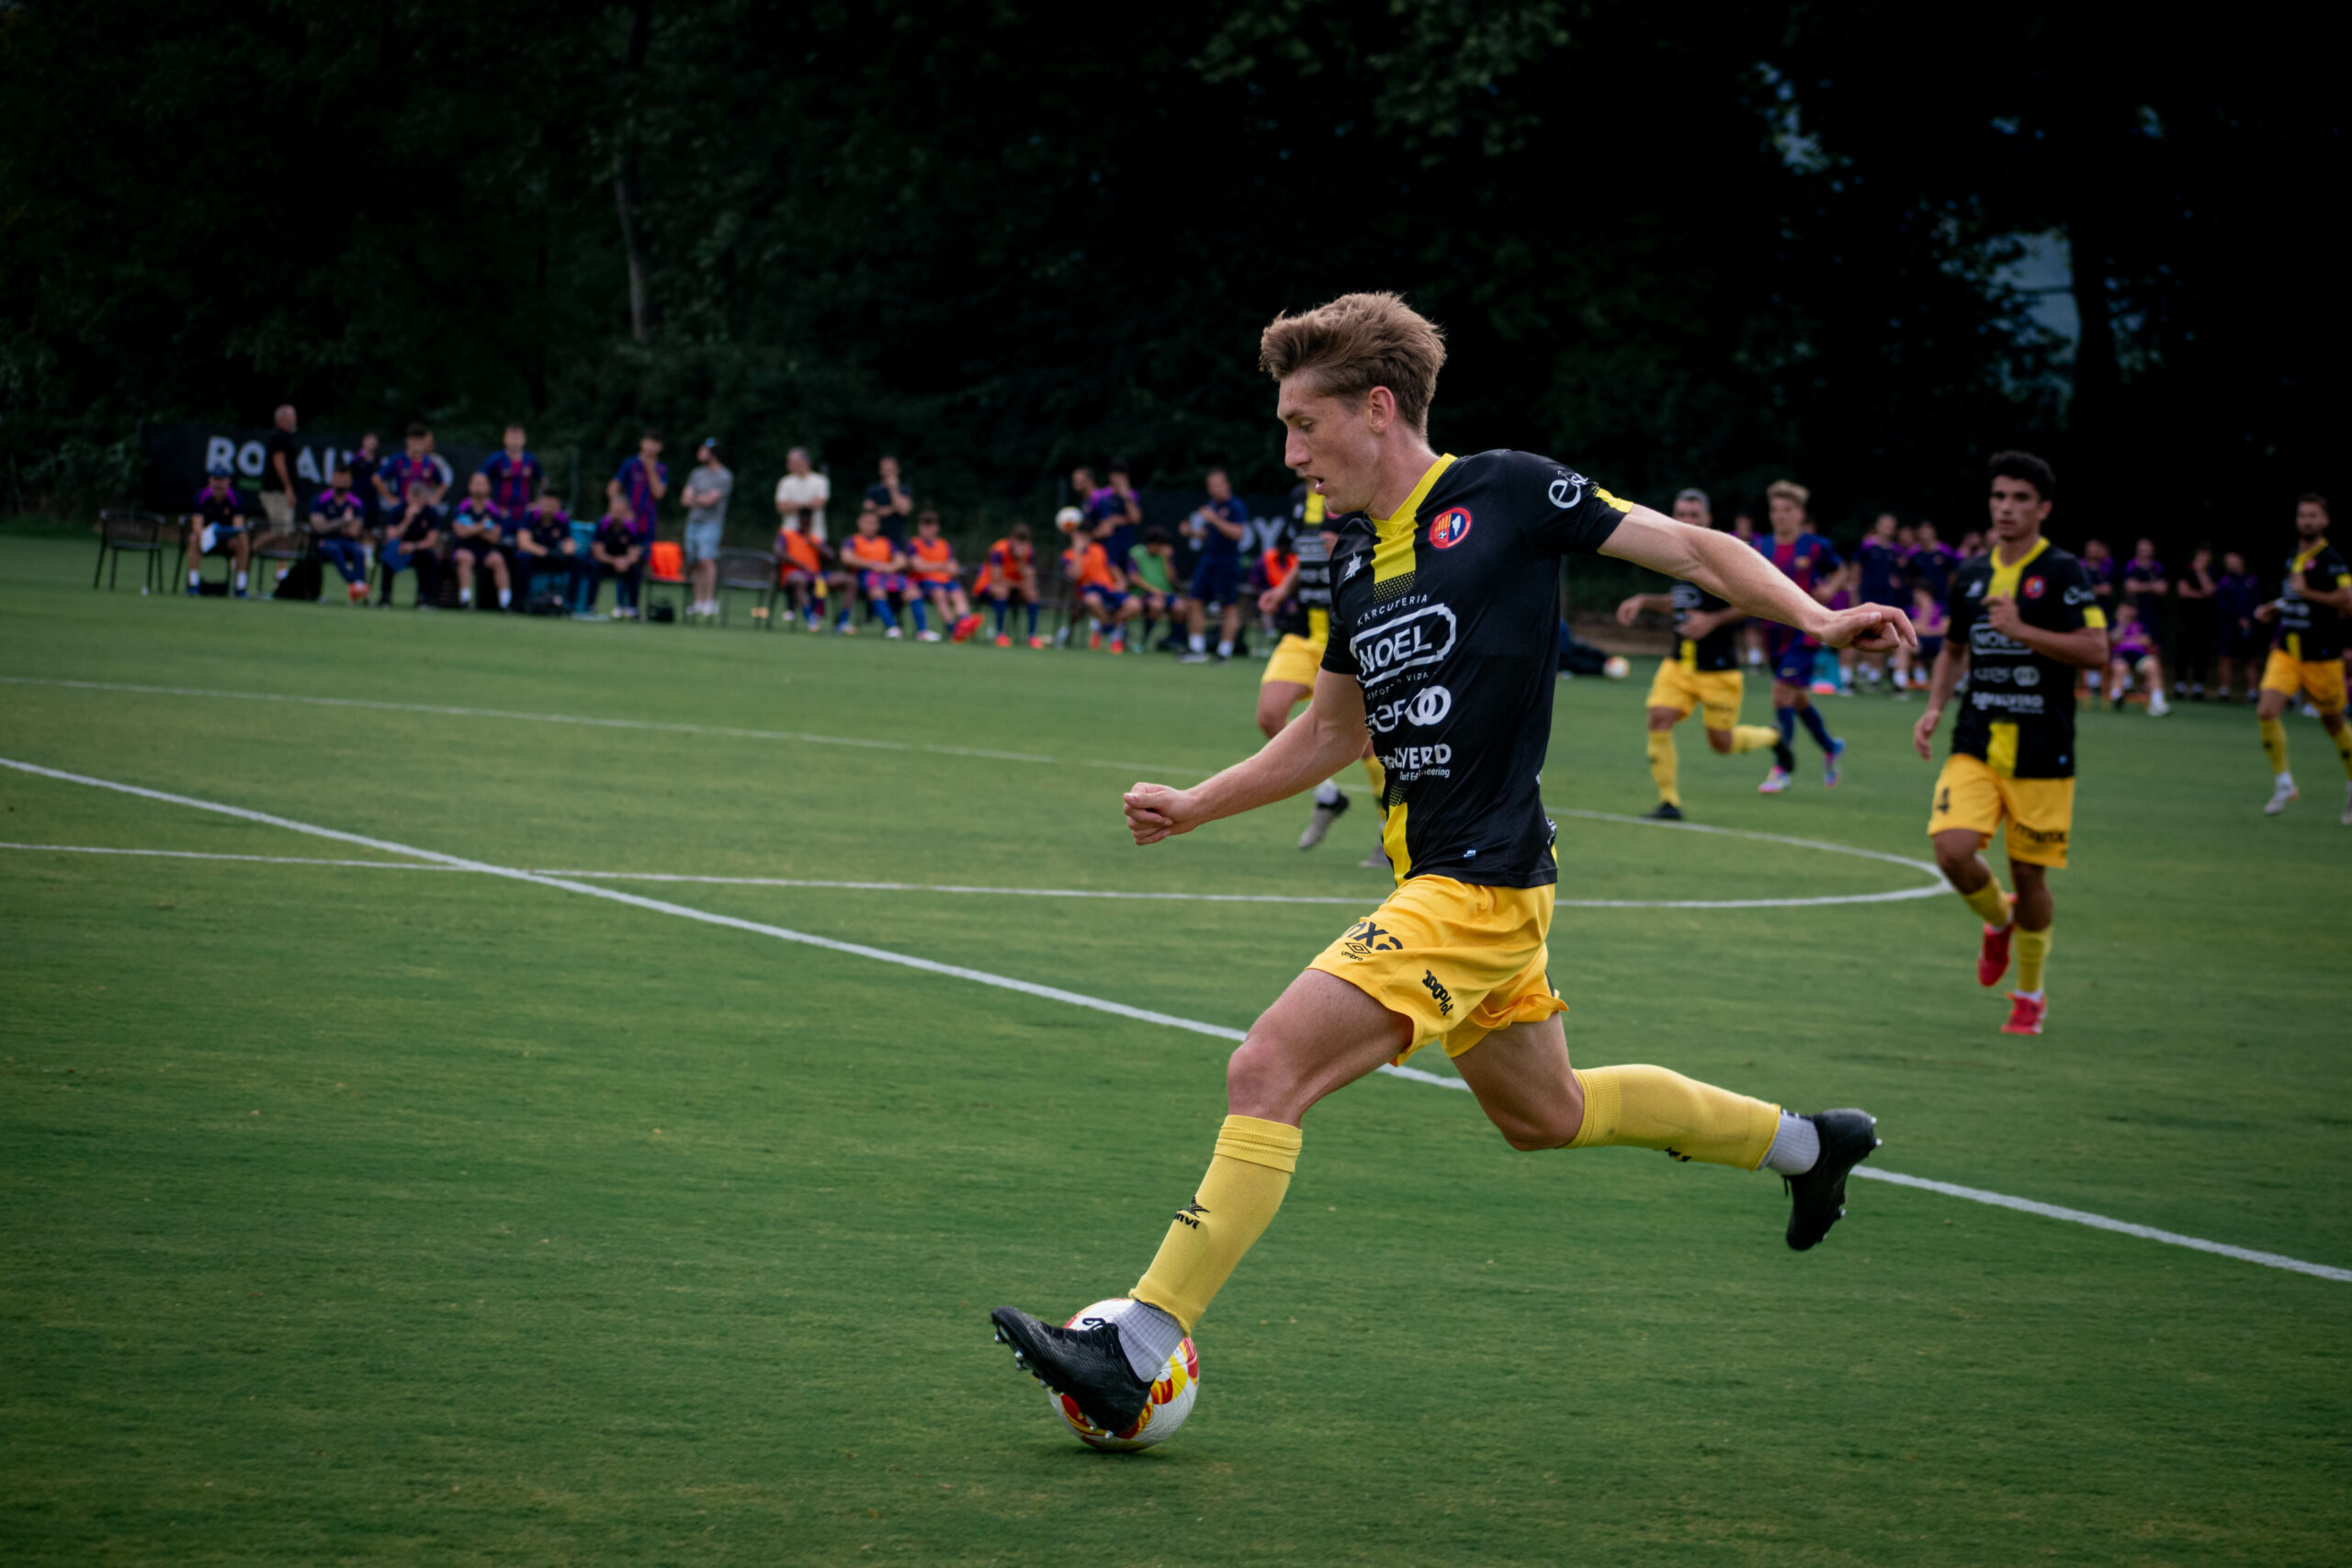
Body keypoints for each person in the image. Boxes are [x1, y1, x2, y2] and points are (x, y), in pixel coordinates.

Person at [987, 292, 1904, 1436]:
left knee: (1266, 1069)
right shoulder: (1348, 562)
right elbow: (1328, 734)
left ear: (1377, 409)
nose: (1291, 454)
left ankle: (1137, 1342)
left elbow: (1690, 547)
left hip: (1476, 883)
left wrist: (1816, 620)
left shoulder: (1506, 492)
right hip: (1458, 886)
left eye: (1304, 425)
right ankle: (1810, 1145)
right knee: (1546, 1113)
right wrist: (1195, 804)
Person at [1911, 451, 2109, 1037]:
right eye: (1999, 496)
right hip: (1975, 740)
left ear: (2043, 509)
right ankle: (1997, 921)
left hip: (2044, 752)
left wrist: (2023, 630)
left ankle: (2029, 993)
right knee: (1951, 850)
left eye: (2020, 498)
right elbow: (1953, 649)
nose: (2006, 508)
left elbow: (2096, 651)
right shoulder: (1971, 574)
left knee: (2030, 879)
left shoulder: (2066, 572)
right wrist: (1934, 706)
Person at [1615, 489, 1784, 819]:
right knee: (1658, 719)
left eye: (1694, 515)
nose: (1686, 520)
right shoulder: (1672, 555)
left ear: (1708, 519)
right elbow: (1681, 602)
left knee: (1721, 744)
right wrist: (1645, 600)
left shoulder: (1726, 552)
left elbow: (1757, 600)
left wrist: (1713, 620)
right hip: (1679, 663)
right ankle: (1669, 803)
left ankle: (1772, 737)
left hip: (1718, 668)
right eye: (1681, 514)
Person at [1267, 483, 1388, 862]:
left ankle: (1392, 832)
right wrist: (1282, 591)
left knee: (1368, 743)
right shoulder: (1296, 500)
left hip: (1346, 631)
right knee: (1269, 714)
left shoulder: (1354, 492)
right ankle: (1328, 796)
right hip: (1303, 633)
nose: (1297, 458)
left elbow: (1386, 552)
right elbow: (1305, 557)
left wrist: (1344, 551)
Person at [2251, 493, 2352, 821]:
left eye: (2313, 516)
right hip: (2287, 652)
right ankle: (2284, 783)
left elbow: (2347, 600)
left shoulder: (2333, 561)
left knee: (2333, 723)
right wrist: (2274, 608)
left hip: (2322, 656)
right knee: (2266, 710)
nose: (2306, 521)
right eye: (2302, 515)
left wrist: (2308, 592)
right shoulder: (2293, 556)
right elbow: (2293, 597)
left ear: (2325, 521)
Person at [1753, 480, 1845, 791]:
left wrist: (1830, 589)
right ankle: (1831, 746)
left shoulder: (1815, 546)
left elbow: (1841, 570)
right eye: (1775, 510)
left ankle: (1782, 767)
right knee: (1797, 697)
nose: (1780, 515)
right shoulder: (1761, 547)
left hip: (1805, 631)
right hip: (1772, 631)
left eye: (1787, 509)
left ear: (1800, 514)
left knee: (1781, 693)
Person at [1181, 468, 1250, 663]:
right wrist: (1191, 532)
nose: (1214, 489)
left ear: (1227, 485)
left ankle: (1224, 652)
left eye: (1218, 485)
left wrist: (1214, 519)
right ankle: (1196, 648)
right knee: (1194, 600)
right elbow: (1207, 534)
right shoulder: (1211, 506)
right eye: (1211, 485)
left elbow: (1237, 533)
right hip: (1208, 559)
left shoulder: (1236, 506)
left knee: (1229, 606)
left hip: (1227, 562)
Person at [1062, 521, 1139, 652]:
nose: (1084, 539)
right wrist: (1077, 551)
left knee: (1135, 605)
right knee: (1092, 600)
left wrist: (1120, 582)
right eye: (1081, 536)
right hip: (1088, 590)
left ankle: (1105, 627)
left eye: (1086, 535)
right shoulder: (1069, 555)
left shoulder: (1099, 549)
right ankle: (1114, 634)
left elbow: (1115, 571)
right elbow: (1076, 574)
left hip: (1108, 590)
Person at [1853, 512, 1908, 692]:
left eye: (1891, 525)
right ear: (1878, 526)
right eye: (1885, 524)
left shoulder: (1896, 551)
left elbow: (1901, 575)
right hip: (1868, 597)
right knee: (1863, 633)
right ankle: (1863, 671)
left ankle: (1876, 674)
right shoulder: (1867, 547)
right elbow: (1856, 571)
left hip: (1888, 599)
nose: (1888, 528)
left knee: (1884, 633)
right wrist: (1855, 595)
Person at [907, 511, 979, 642]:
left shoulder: (943, 545)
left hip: (945, 580)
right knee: (939, 593)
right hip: (924, 580)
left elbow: (954, 568)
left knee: (958, 593)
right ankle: (952, 629)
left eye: (930, 526)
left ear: (936, 528)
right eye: (924, 526)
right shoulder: (914, 544)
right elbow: (918, 567)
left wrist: (933, 566)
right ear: (919, 527)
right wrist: (941, 565)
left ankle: (964, 623)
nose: (927, 529)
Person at [681, 438, 733, 619]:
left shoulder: (724, 476)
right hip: (693, 522)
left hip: (711, 523)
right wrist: (700, 499)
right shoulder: (696, 474)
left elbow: (710, 500)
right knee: (695, 562)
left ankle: (710, 601)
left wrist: (695, 499)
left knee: (706, 559)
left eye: (704, 450)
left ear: (713, 454)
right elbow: (685, 499)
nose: (700, 453)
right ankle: (698, 602)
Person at [839, 502, 909, 637]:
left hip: (886, 575)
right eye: (867, 523)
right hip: (863, 576)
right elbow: (846, 558)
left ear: (878, 525)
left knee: (912, 591)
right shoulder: (852, 540)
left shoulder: (885, 542)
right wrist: (870, 564)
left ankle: (922, 630)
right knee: (877, 591)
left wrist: (889, 567)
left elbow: (902, 560)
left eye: (873, 523)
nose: (870, 526)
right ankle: (892, 627)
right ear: (859, 523)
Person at [183, 464, 252, 598]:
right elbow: (197, 525)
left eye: (221, 479)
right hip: (205, 541)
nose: (218, 483)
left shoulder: (235, 498)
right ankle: (193, 585)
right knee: (193, 538)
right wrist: (205, 535)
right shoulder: (201, 497)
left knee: (242, 538)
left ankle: (240, 587)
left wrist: (227, 535)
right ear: (210, 480)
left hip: (228, 542)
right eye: (215, 479)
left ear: (228, 481)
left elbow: (238, 526)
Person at [308, 464, 371, 604]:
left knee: (358, 551)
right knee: (335, 549)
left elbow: (354, 531)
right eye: (339, 478)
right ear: (332, 480)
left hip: (347, 541)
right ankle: (357, 586)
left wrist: (332, 526)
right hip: (324, 541)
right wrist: (343, 521)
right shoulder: (320, 500)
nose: (341, 482)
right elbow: (319, 528)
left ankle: (356, 591)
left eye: (345, 479)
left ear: (350, 481)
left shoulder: (356, 503)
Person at [513, 486, 584, 611]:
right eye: (546, 504)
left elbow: (568, 542)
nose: (549, 508)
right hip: (535, 556)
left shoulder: (561, 519)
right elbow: (523, 542)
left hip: (554, 557)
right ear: (540, 503)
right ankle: (522, 602)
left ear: (558, 505)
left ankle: (570, 604)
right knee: (523, 558)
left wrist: (566, 551)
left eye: (552, 505)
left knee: (577, 561)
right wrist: (544, 551)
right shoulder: (530, 516)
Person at [448, 472, 514, 611]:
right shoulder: (462, 508)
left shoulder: (493, 510)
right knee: (466, 558)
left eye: (482, 484)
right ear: (470, 486)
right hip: (464, 548)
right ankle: (465, 600)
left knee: (498, 560)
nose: (479, 487)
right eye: (476, 483)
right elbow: (461, 532)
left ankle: (505, 602)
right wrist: (483, 527)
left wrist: (472, 528)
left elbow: (494, 537)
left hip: (485, 550)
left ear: (489, 487)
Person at [976, 524, 1044, 648]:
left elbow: (1031, 580)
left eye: (1024, 543)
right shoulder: (999, 550)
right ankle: (1000, 635)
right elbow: (997, 580)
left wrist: (1020, 561)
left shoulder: (1029, 552)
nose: (1021, 546)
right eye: (1018, 541)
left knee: (1032, 594)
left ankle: (1032, 636)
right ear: (1011, 539)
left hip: (1015, 587)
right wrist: (1020, 585)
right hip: (988, 586)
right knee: (1001, 591)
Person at [379, 486, 445, 609]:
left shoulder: (430, 513)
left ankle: (425, 598)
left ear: (424, 498)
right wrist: (408, 519)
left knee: (430, 557)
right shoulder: (397, 510)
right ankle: (385, 596)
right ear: (408, 496)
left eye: (419, 497)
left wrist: (413, 546)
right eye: (413, 496)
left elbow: (431, 540)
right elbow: (391, 536)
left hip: (419, 550)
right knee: (387, 554)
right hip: (399, 549)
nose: (416, 500)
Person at [2213, 550, 2264, 703]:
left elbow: (2258, 602)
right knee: (2225, 657)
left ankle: (2252, 692)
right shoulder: (2224, 581)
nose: (2230, 564)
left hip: (2249, 626)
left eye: (2233, 560)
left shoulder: (2252, 581)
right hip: (2228, 626)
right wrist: (2237, 618)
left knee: (2250, 659)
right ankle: (2224, 690)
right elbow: (2221, 604)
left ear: (2241, 560)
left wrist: (2248, 619)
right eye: (2228, 562)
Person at [1125, 525, 1183, 650]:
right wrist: (1153, 590)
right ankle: (1143, 640)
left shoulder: (1164, 556)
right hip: (1144, 593)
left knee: (1180, 608)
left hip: (1165, 594)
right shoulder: (1136, 552)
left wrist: (1167, 560)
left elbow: (1172, 578)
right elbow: (1133, 577)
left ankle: (1174, 640)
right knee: (1156, 606)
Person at [2105, 605, 2169, 716]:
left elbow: (2146, 640)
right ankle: (2117, 697)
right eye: (2124, 610)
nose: (2128, 612)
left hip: (2138, 656)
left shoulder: (2140, 624)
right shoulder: (2113, 624)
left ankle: (2157, 702)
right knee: (2120, 668)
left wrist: (2124, 640)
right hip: (2120, 655)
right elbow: (2112, 639)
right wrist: (2122, 625)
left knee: (2153, 666)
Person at [588, 497, 645, 620]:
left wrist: (626, 561)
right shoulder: (602, 524)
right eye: (615, 512)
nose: (617, 516)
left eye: (620, 512)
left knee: (635, 570)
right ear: (610, 510)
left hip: (624, 565)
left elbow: (634, 553)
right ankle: (590, 606)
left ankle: (633, 609)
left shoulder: (630, 526)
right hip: (606, 563)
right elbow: (598, 552)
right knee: (594, 566)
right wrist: (614, 561)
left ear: (626, 513)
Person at [775, 511, 832, 629]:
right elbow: (778, 551)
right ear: (798, 520)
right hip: (792, 574)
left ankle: (837, 620)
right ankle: (809, 618)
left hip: (814, 575)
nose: (805, 523)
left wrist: (814, 544)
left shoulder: (814, 538)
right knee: (801, 580)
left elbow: (830, 555)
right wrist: (800, 564)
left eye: (808, 521)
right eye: (803, 520)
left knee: (845, 581)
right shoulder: (787, 534)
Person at [2173, 545, 2217, 698]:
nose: (2204, 558)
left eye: (2207, 554)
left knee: (2202, 653)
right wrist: (2200, 594)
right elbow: (2183, 592)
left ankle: (2198, 686)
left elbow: (2210, 590)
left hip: (2205, 621)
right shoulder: (2186, 570)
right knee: (2183, 652)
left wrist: (2200, 572)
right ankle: (2179, 685)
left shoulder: (2212, 572)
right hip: (2187, 619)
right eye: (2201, 554)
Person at [480, 423, 545, 516]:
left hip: (525, 513)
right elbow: (479, 477)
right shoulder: (496, 459)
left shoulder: (530, 460)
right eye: (511, 438)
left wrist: (538, 502)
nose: (515, 441)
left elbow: (543, 480)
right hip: (500, 511)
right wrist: (488, 503)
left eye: (518, 438)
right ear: (504, 439)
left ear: (524, 440)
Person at [1896, 581, 1947, 701]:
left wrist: (1925, 629)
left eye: (1919, 593)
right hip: (1920, 642)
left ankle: (1954, 689)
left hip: (1939, 643)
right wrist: (1925, 611)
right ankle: (1899, 686)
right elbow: (1910, 629)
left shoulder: (1941, 607)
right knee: (1903, 645)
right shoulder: (1909, 610)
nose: (1916, 596)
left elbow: (1946, 628)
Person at [1087, 461, 1144, 567]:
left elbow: (1136, 518)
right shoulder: (1101, 495)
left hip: (1127, 543)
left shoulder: (1131, 495)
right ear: (1110, 476)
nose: (1119, 479)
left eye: (1122, 475)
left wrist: (1126, 496)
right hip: (1106, 545)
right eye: (1116, 474)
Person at [774, 447, 831, 543]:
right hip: (789, 534)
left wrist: (792, 505)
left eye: (792, 461)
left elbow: (820, 503)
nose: (788, 464)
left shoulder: (820, 480)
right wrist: (808, 505)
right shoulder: (785, 482)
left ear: (804, 462)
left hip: (815, 535)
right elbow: (781, 507)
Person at [262, 405, 301, 529]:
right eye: (292, 417)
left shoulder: (286, 438)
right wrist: (288, 488)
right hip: (277, 492)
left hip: (280, 492)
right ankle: (250, 542)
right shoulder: (279, 438)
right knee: (282, 530)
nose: (295, 420)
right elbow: (279, 463)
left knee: (284, 532)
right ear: (281, 419)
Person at [866, 455, 915, 547]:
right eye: (885, 469)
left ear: (898, 470)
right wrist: (895, 508)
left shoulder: (905, 489)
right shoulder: (873, 490)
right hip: (877, 539)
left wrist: (893, 489)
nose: (888, 472)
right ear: (880, 471)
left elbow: (904, 511)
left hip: (898, 538)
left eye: (890, 469)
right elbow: (870, 513)